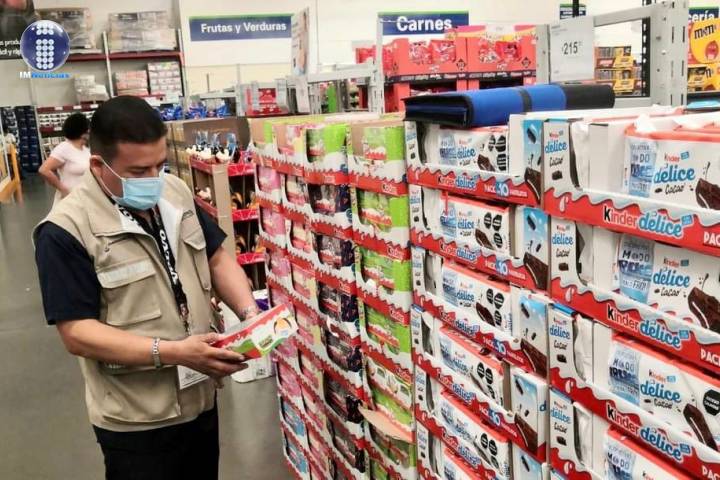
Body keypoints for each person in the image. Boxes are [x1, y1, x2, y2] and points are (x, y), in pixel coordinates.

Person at [33, 96, 260, 480]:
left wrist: (250, 316)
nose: (154, 179)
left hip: (200, 396)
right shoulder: (65, 231)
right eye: (139, 171)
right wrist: (174, 352)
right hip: (138, 419)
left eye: (160, 164)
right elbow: (77, 333)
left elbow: (217, 257)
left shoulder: (174, 191)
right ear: (97, 165)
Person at [38, 112, 91, 204]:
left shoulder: (86, 150)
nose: (90, 132)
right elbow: (44, 170)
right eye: (88, 129)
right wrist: (63, 189)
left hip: (85, 199)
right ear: (82, 132)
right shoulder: (64, 148)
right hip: (70, 201)